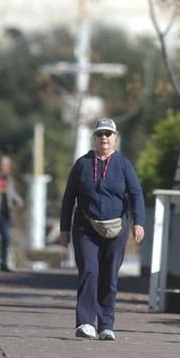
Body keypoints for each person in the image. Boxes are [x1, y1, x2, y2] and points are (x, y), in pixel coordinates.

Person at [59, 117, 145, 341]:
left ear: (115, 137)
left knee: (109, 276)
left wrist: (139, 222)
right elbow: (69, 197)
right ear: (94, 138)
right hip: (85, 227)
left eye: (108, 134)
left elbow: (135, 193)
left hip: (116, 229)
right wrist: (64, 229)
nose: (104, 138)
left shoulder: (123, 165)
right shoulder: (82, 164)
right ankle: (86, 323)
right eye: (100, 134)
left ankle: (106, 325)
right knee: (89, 271)